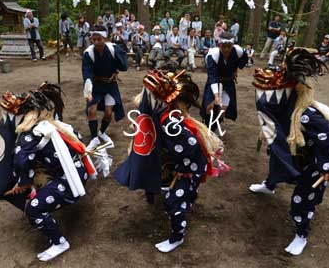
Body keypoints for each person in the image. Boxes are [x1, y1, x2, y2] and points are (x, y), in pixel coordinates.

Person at [249, 48, 329, 256]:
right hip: (295, 153)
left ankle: (301, 233)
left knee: (302, 199)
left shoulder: (305, 114)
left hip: (314, 162)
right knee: (277, 158)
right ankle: (270, 185)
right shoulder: (276, 110)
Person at [113, 67, 226, 253]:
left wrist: (182, 169)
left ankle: (177, 237)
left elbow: (190, 145)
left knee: (173, 201)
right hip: (182, 162)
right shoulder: (161, 114)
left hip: (189, 166)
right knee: (174, 192)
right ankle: (188, 198)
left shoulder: (168, 121)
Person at [0, 83, 97, 261]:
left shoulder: (31, 134)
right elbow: (78, 140)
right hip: (80, 171)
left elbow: (22, 160)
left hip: (69, 181)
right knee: (38, 173)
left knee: (33, 210)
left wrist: (23, 182)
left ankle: (59, 242)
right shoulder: (54, 124)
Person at [82, 27, 128, 150]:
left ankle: (101, 132)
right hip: (96, 85)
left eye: (99, 39)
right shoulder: (89, 53)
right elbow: (87, 73)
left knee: (108, 112)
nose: (96, 42)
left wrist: (119, 60)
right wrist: (89, 90)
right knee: (91, 109)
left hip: (110, 85)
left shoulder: (113, 49)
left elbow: (124, 66)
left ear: (105, 39)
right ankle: (93, 138)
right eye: (94, 40)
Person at [200, 32, 248, 132]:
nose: (226, 49)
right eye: (223, 46)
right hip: (214, 82)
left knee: (223, 109)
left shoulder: (238, 51)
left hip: (228, 83)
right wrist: (216, 96)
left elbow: (243, 59)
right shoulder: (213, 55)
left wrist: (235, 70)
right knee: (210, 108)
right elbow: (212, 77)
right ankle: (209, 129)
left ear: (233, 45)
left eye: (229, 46)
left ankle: (215, 125)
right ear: (219, 45)